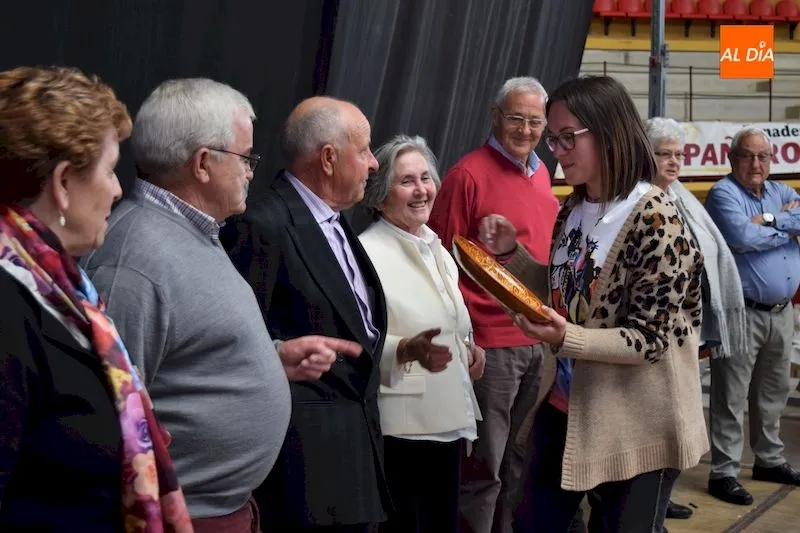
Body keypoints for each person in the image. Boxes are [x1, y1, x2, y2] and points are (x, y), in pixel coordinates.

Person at [81, 79, 358, 533]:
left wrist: (271, 359)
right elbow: (113, 419)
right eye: (246, 158)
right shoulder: (134, 262)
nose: (252, 171)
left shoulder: (195, 232)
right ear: (204, 164)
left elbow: (186, 351)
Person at [479, 76, 708, 532]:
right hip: (569, 407)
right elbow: (569, 292)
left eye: (568, 138)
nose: (556, 151)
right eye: (554, 138)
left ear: (609, 133)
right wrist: (513, 256)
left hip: (637, 425)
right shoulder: (575, 206)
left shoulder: (656, 219)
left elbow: (649, 340)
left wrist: (568, 337)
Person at [0, 66, 191, 532]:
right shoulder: (9, 307)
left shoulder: (62, 291)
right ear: (64, 183)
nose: (118, 189)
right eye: (110, 170)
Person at [223, 96, 389, 532]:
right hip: (302, 482)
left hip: (357, 466)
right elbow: (240, 350)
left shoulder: (337, 223)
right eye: (366, 150)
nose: (374, 164)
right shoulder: (262, 226)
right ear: (329, 158)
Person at [427, 76, 559, 533]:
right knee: (484, 467)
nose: (525, 129)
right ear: (495, 117)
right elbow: (442, 264)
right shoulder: (466, 176)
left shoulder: (543, 173)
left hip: (538, 342)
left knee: (519, 466)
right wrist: (465, 338)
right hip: (491, 346)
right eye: (516, 118)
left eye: (535, 121)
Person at [357, 134, 486, 533]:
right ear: (380, 195)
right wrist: (408, 350)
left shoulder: (436, 247)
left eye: (426, 178)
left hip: (446, 419)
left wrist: (469, 350)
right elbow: (361, 341)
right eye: (407, 181)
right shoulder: (366, 253)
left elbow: (450, 323)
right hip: (403, 428)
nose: (421, 190)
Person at [644, 116, 750, 522]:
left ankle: (658, 499)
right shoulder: (638, 196)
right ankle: (645, 508)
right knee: (656, 424)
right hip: (653, 334)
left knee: (679, 426)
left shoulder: (683, 196)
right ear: (645, 154)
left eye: (679, 155)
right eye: (665, 154)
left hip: (690, 331)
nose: (674, 162)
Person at [704, 126, 800, 505]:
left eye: (762, 156)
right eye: (747, 155)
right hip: (741, 310)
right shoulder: (723, 193)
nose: (756, 163)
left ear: (771, 160)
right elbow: (741, 237)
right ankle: (724, 471)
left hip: (782, 312)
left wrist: (770, 221)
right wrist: (785, 225)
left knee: (772, 392)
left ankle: (768, 459)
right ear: (733, 159)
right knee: (731, 394)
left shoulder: (782, 192)